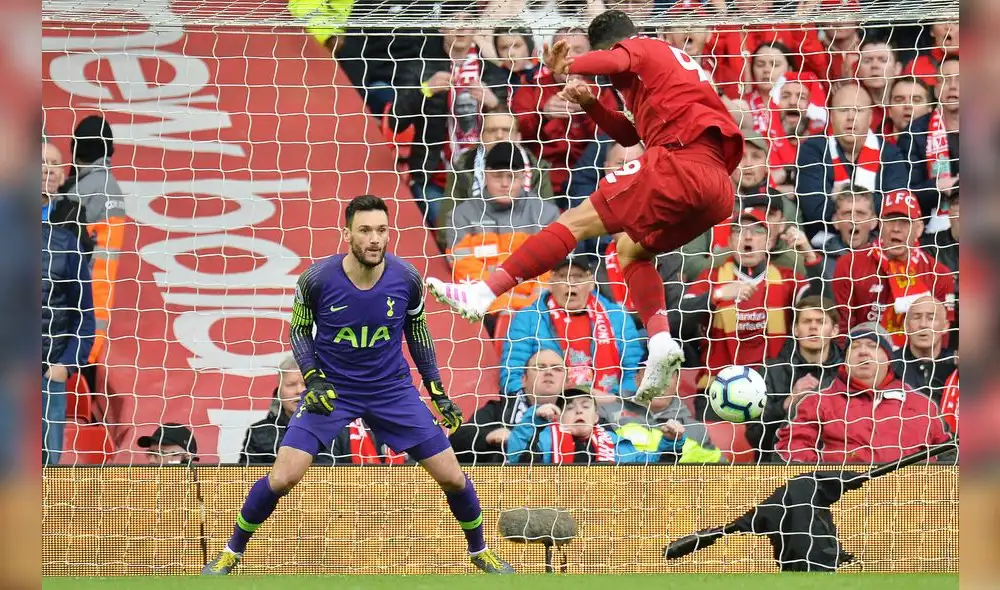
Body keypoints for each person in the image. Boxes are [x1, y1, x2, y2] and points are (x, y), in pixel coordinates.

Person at [427, 10, 744, 404]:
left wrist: (569, 64)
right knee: (631, 251)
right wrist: (592, 104)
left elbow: (616, 59)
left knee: (573, 221)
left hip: (679, 165)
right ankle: (661, 340)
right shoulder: (670, 74)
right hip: (715, 189)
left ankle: (482, 294)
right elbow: (630, 132)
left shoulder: (640, 48)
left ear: (610, 45)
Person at [202, 195, 513, 575]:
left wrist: (437, 391)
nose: (375, 239)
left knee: (451, 475)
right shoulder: (316, 279)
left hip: (392, 390)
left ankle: (480, 550)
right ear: (346, 233)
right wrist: (313, 378)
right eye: (365, 230)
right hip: (334, 391)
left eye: (381, 230)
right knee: (283, 477)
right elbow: (299, 331)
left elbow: (418, 334)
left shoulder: (406, 278)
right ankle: (231, 553)